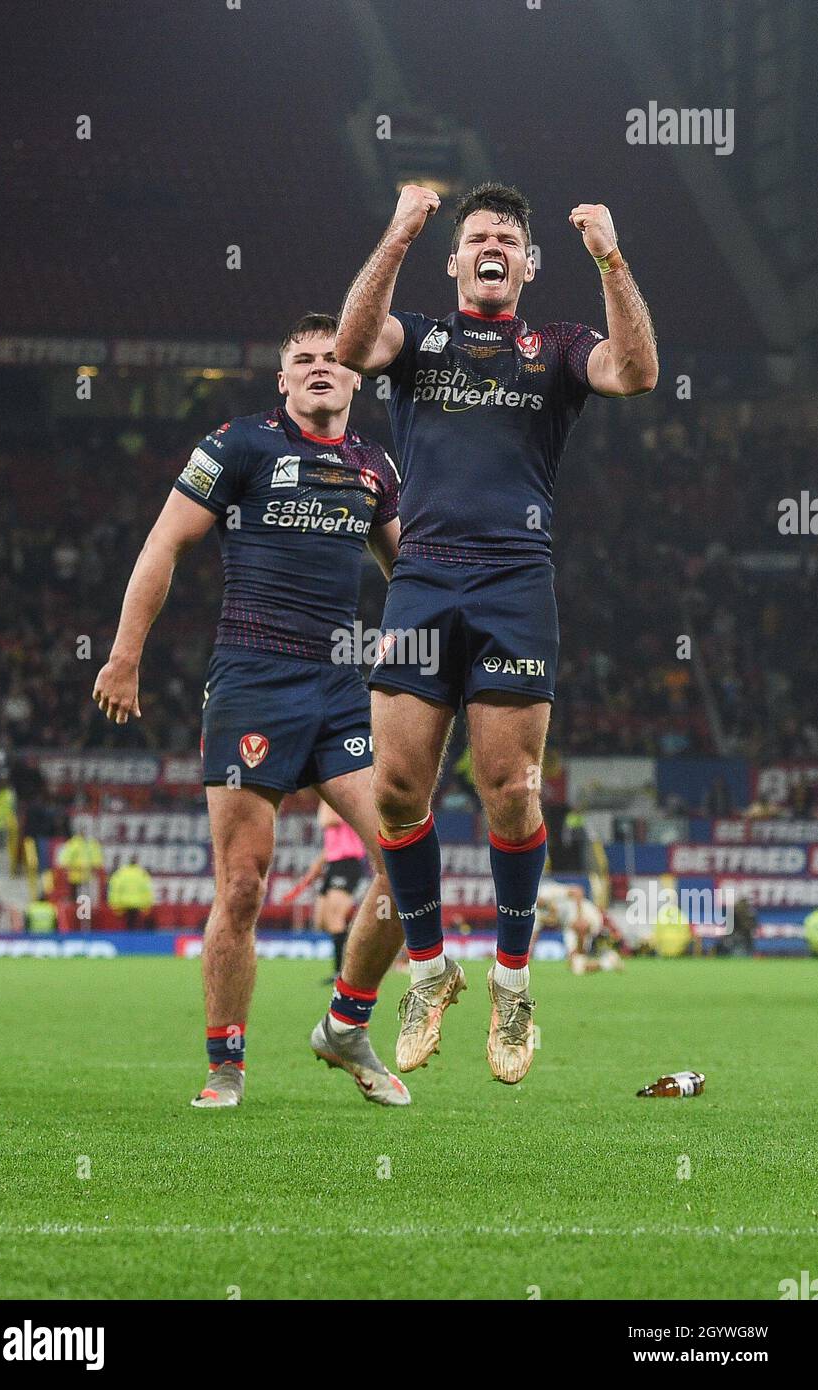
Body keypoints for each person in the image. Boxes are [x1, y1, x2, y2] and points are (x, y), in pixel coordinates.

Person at [335, 180, 657, 1082]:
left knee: (508, 787)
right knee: (399, 789)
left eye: (507, 239)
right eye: (476, 236)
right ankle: (430, 973)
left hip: (514, 582)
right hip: (423, 577)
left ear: (526, 262)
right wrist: (398, 227)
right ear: (454, 258)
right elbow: (356, 344)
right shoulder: (423, 339)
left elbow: (635, 372)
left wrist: (611, 257)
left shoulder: (554, 347)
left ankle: (512, 985)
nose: (491, 246)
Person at [93, 313, 411, 1109]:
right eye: (300, 359)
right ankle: (226, 1066)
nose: (317, 368)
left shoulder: (373, 466)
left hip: (342, 691)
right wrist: (124, 654)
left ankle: (345, 1023)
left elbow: (412, 572)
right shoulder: (238, 445)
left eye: (332, 359)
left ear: (354, 377)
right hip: (252, 684)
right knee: (242, 885)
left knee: (410, 865)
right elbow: (164, 544)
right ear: (282, 379)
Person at [283, 798, 370, 983]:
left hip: (348, 863)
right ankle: (351, 956)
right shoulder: (331, 803)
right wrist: (315, 868)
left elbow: (326, 821)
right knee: (321, 920)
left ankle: (344, 973)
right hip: (333, 865)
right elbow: (331, 842)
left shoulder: (341, 802)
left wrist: (323, 799)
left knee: (335, 917)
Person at [107, 861, 155, 931]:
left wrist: (114, 904)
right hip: (138, 903)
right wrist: (147, 906)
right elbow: (147, 890)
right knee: (135, 924)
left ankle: (126, 938)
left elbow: (114, 889)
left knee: (125, 924)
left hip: (123, 903)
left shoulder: (120, 874)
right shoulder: (142, 874)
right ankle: (134, 938)